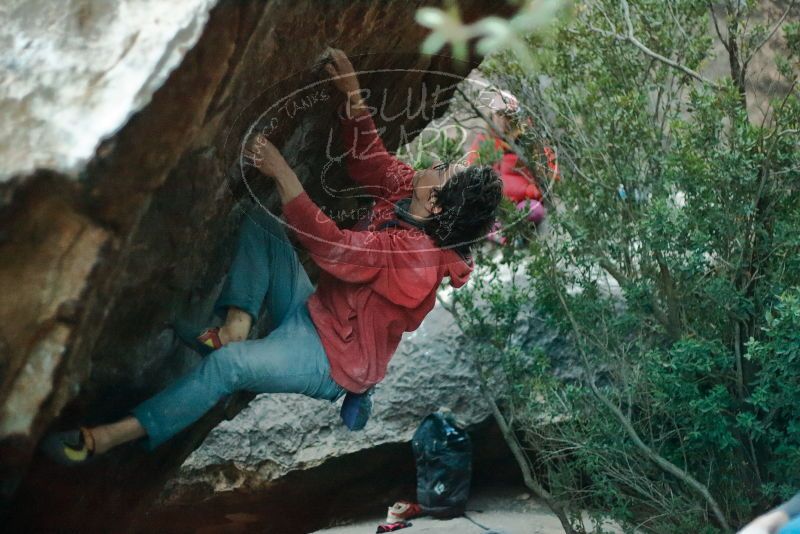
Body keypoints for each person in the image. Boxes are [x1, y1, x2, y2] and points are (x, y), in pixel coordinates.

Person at [41, 48, 503, 463]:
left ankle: (103, 439)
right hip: (317, 311)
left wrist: (283, 173)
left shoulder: (414, 261)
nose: (436, 163)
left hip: (330, 358)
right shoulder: (409, 192)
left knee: (228, 367)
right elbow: (369, 160)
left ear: (435, 205)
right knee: (261, 221)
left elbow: (336, 249)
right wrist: (353, 95)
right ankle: (235, 326)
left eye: (443, 169)